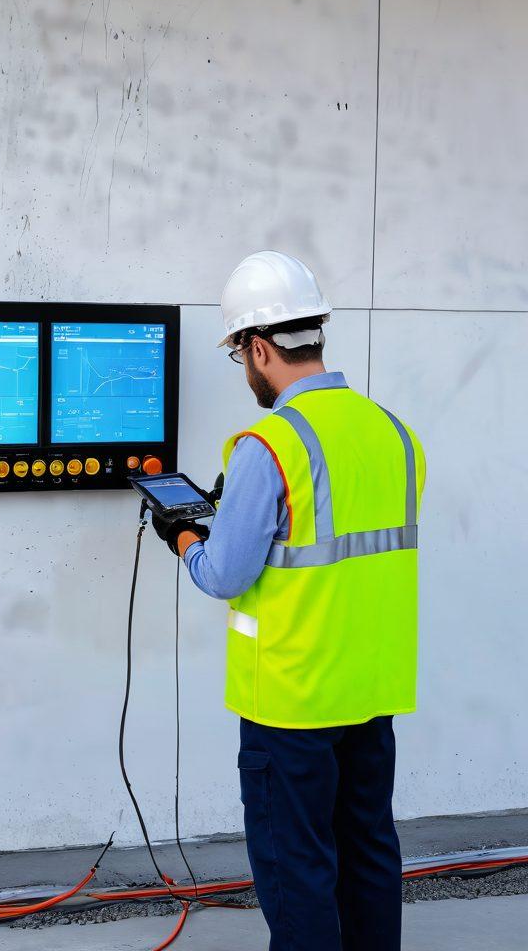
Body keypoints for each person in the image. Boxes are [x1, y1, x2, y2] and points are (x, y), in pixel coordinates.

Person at [152, 251, 425, 951]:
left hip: (291, 701)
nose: (244, 369)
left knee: (295, 868)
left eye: (240, 353)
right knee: (368, 850)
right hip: (370, 691)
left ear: (260, 347)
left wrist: (182, 538)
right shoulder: (394, 434)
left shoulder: (268, 445)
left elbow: (224, 574)